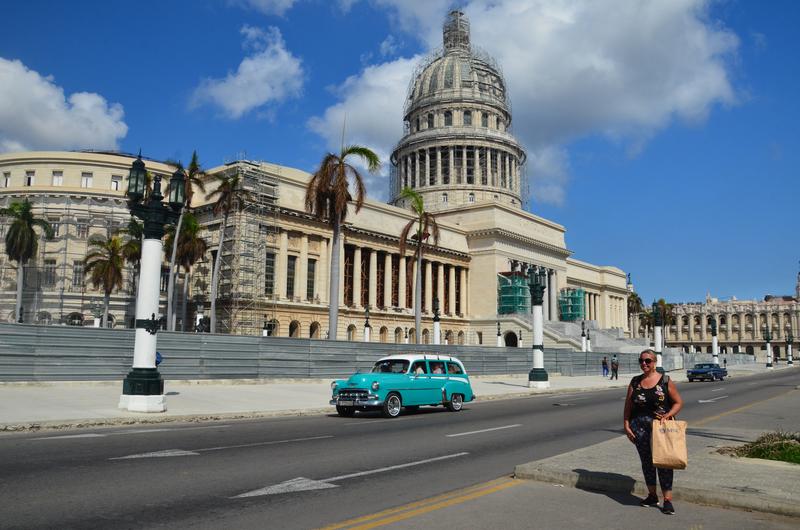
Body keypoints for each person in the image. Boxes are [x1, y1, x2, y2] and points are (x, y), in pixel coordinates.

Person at [624, 349, 684, 515]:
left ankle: (667, 500)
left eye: (648, 361)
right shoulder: (635, 382)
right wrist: (626, 424)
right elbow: (628, 406)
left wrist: (668, 415)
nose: (644, 363)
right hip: (639, 428)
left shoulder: (665, 381)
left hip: (660, 428)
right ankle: (652, 495)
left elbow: (678, 402)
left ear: (654, 362)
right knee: (647, 462)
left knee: (664, 462)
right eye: (641, 361)